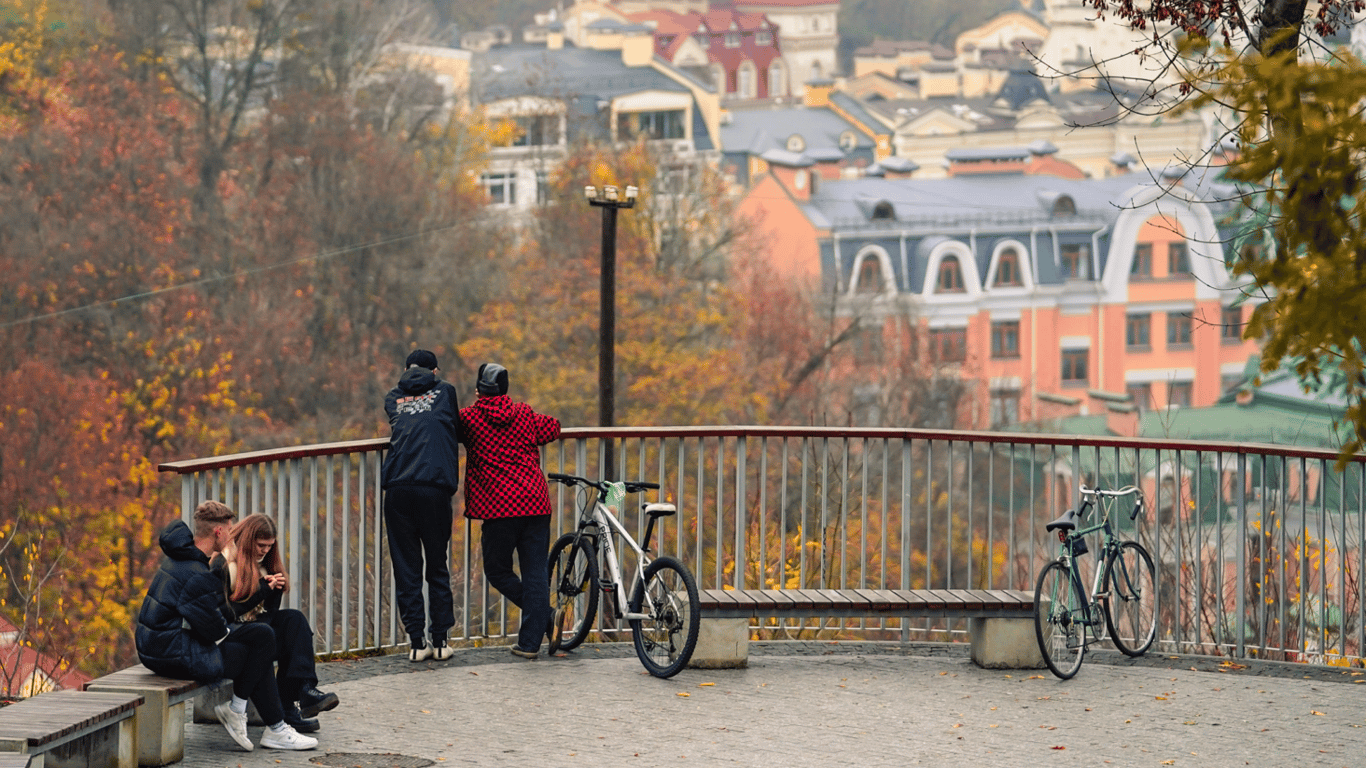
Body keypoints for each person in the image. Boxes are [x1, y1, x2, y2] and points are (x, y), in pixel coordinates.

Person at [135, 500, 318, 752]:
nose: (232, 537)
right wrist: (236, 631)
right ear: (218, 532)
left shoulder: (181, 559)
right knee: (257, 648)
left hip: (158, 647)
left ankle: (262, 721)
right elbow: (213, 630)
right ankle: (261, 721)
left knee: (260, 639)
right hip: (171, 653)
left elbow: (210, 621)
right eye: (230, 531)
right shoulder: (198, 572)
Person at [460, 362, 561, 660]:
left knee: (497, 570)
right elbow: (553, 427)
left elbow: (450, 429)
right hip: (535, 501)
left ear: (479, 389)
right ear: (505, 388)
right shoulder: (524, 414)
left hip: (498, 507)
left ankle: (545, 617)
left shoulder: (469, 419)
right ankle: (531, 641)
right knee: (535, 572)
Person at [217, 514, 340, 733]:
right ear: (248, 539)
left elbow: (268, 615)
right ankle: (287, 707)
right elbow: (225, 615)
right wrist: (261, 591)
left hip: (257, 629)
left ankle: (305, 691)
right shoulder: (226, 564)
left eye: (269, 546)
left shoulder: (264, 565)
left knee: (295, 621)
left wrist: (274, 592)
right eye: (260, 545)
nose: (264, 551)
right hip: (236, 637)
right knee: (271, 634)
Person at [381, 349, 463, 661]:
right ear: (435, 370)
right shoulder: (445, 391)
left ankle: (417, 643)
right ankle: (441, 642)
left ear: (405, 369)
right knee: (437, 565)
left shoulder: (392, 397)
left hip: (399, 489)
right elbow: (455, 428)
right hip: (434, 487)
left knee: (407, 569)